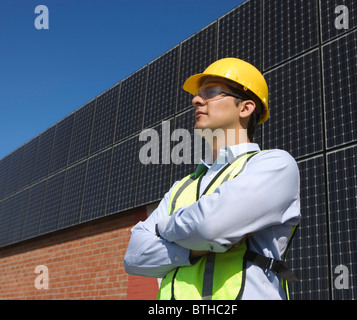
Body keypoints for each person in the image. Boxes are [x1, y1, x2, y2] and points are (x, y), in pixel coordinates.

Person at [124, 58, 301, 300]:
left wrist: (161, 228)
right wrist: (192, 250)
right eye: (198, 94)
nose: (196, 100)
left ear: (245, 108)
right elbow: (133, 257)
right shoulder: (181, 187)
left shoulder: (275, 164)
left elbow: (211, 226)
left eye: (211, 92)